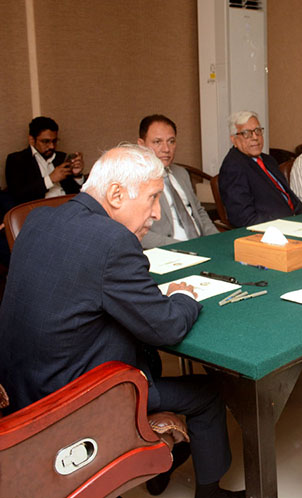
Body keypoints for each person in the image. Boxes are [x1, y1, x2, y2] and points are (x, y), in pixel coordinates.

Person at [0, 144, 243, 498]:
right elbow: (168, 326)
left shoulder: (38, 219)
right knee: (208, 394)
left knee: (145, 352)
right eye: (153, 198)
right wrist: (184, 297)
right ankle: (210, 492)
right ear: (115, 194)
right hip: (73, 396)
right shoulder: (113, 241)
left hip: (21, 385)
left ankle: (162, 461)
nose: (157, 213)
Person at [137, 114, 218, 248]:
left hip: (202, 246)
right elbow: (136, 232)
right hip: (169, 252)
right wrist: (184, 247)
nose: (166, 149)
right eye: (157, 142)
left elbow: (199, 212)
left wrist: (216, 239)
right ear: (141, 144)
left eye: (171, 141)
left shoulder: (181, 173)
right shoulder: (134, 180)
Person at [218, 111, 302, 227]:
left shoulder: (268, 160)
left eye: (258, 131)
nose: (255, 137)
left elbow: (289, 198)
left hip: (297, 222)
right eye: (246, 133)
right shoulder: (233, 167)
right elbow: (243, 218)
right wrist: (283, 225)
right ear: (234, 140)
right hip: (273, 231)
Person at [5, 116, 85, 205]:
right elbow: (18, 195)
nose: (52, 146)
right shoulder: (17, 160)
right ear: (32, 140)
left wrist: (77, 176)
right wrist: (50, 179)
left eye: (54, 141)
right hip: (40, 211)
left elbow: (76, 193)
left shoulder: (61, 157)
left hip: (68, 206)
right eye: (45, 141)